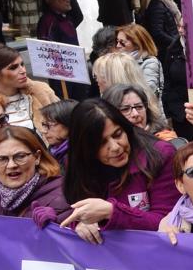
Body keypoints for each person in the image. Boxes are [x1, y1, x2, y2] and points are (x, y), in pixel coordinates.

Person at [56, 99, 180, 243]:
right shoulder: (77, 166)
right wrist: (80, 223)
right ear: (85, 149)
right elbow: (71, 211)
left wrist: (111, 212)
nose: (115, 147)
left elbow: (167, 222)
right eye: (101, 143)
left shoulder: (160, 154)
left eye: (117, 134)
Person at [0, 125, 71, 219]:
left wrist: (56, 222)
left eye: (20, 156)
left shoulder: (64, 195)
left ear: (37, 157)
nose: (11, 165)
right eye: (2, 159)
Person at [0, 46, 58, 131]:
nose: (23, 70)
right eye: (13, 67)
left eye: (22, 64)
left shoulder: (41, 90)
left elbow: (62, 123)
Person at [103, 84, 182, 147]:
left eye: (139, 107)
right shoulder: (111, 149)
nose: (135, 114)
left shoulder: (165, 141)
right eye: (125, 109)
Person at [114, 24, 164, 99]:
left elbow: (148, 92)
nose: (118, 45)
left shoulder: (150, 62)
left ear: (137, 43)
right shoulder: (119, 61)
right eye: (117, 41)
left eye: (122, 42)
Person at [39, 99, 77, 167]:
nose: (43, 131)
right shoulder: (53, 151)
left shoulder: (80, 156)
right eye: (43, 125)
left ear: (68, 123)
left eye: (48, 125)